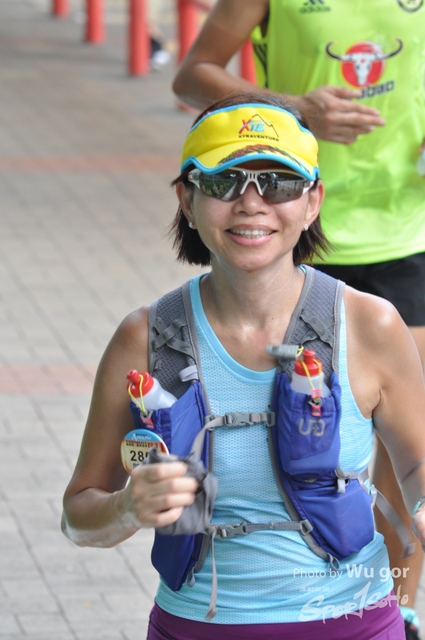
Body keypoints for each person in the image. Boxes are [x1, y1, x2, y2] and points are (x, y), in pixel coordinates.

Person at [61, 92, 425, 639]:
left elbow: (417, 465)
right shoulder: (143, 339)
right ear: (187, 199)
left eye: (278, 183)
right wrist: (126, 508)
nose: (251, 204)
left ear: (313, 201)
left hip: (355, 625)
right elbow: (78, 514)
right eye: (223, 181)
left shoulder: (371, 325)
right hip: (194, 627)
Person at [171, 2, 425, 636]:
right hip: (288, 222)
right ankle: (240, 582)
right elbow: (193, 74)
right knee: (287, 431)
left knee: (401, 438)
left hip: (405, 224)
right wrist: (296, 109)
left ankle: (397, 603)